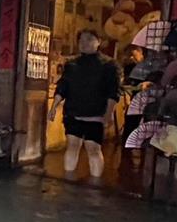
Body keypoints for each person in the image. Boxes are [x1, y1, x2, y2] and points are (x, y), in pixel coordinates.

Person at [48, 29, 122, 179]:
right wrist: (54, 106)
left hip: (96, 114)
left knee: (93, 148)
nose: (84, 43)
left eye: (89, 39)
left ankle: (95, 185)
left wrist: (108, 114)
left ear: (98, 42)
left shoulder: (109, 65)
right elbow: (63, 87)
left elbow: (112, 92)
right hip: (73, 112)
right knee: (72, 146)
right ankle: (69, 182)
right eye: (81, 40)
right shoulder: (72, 64)